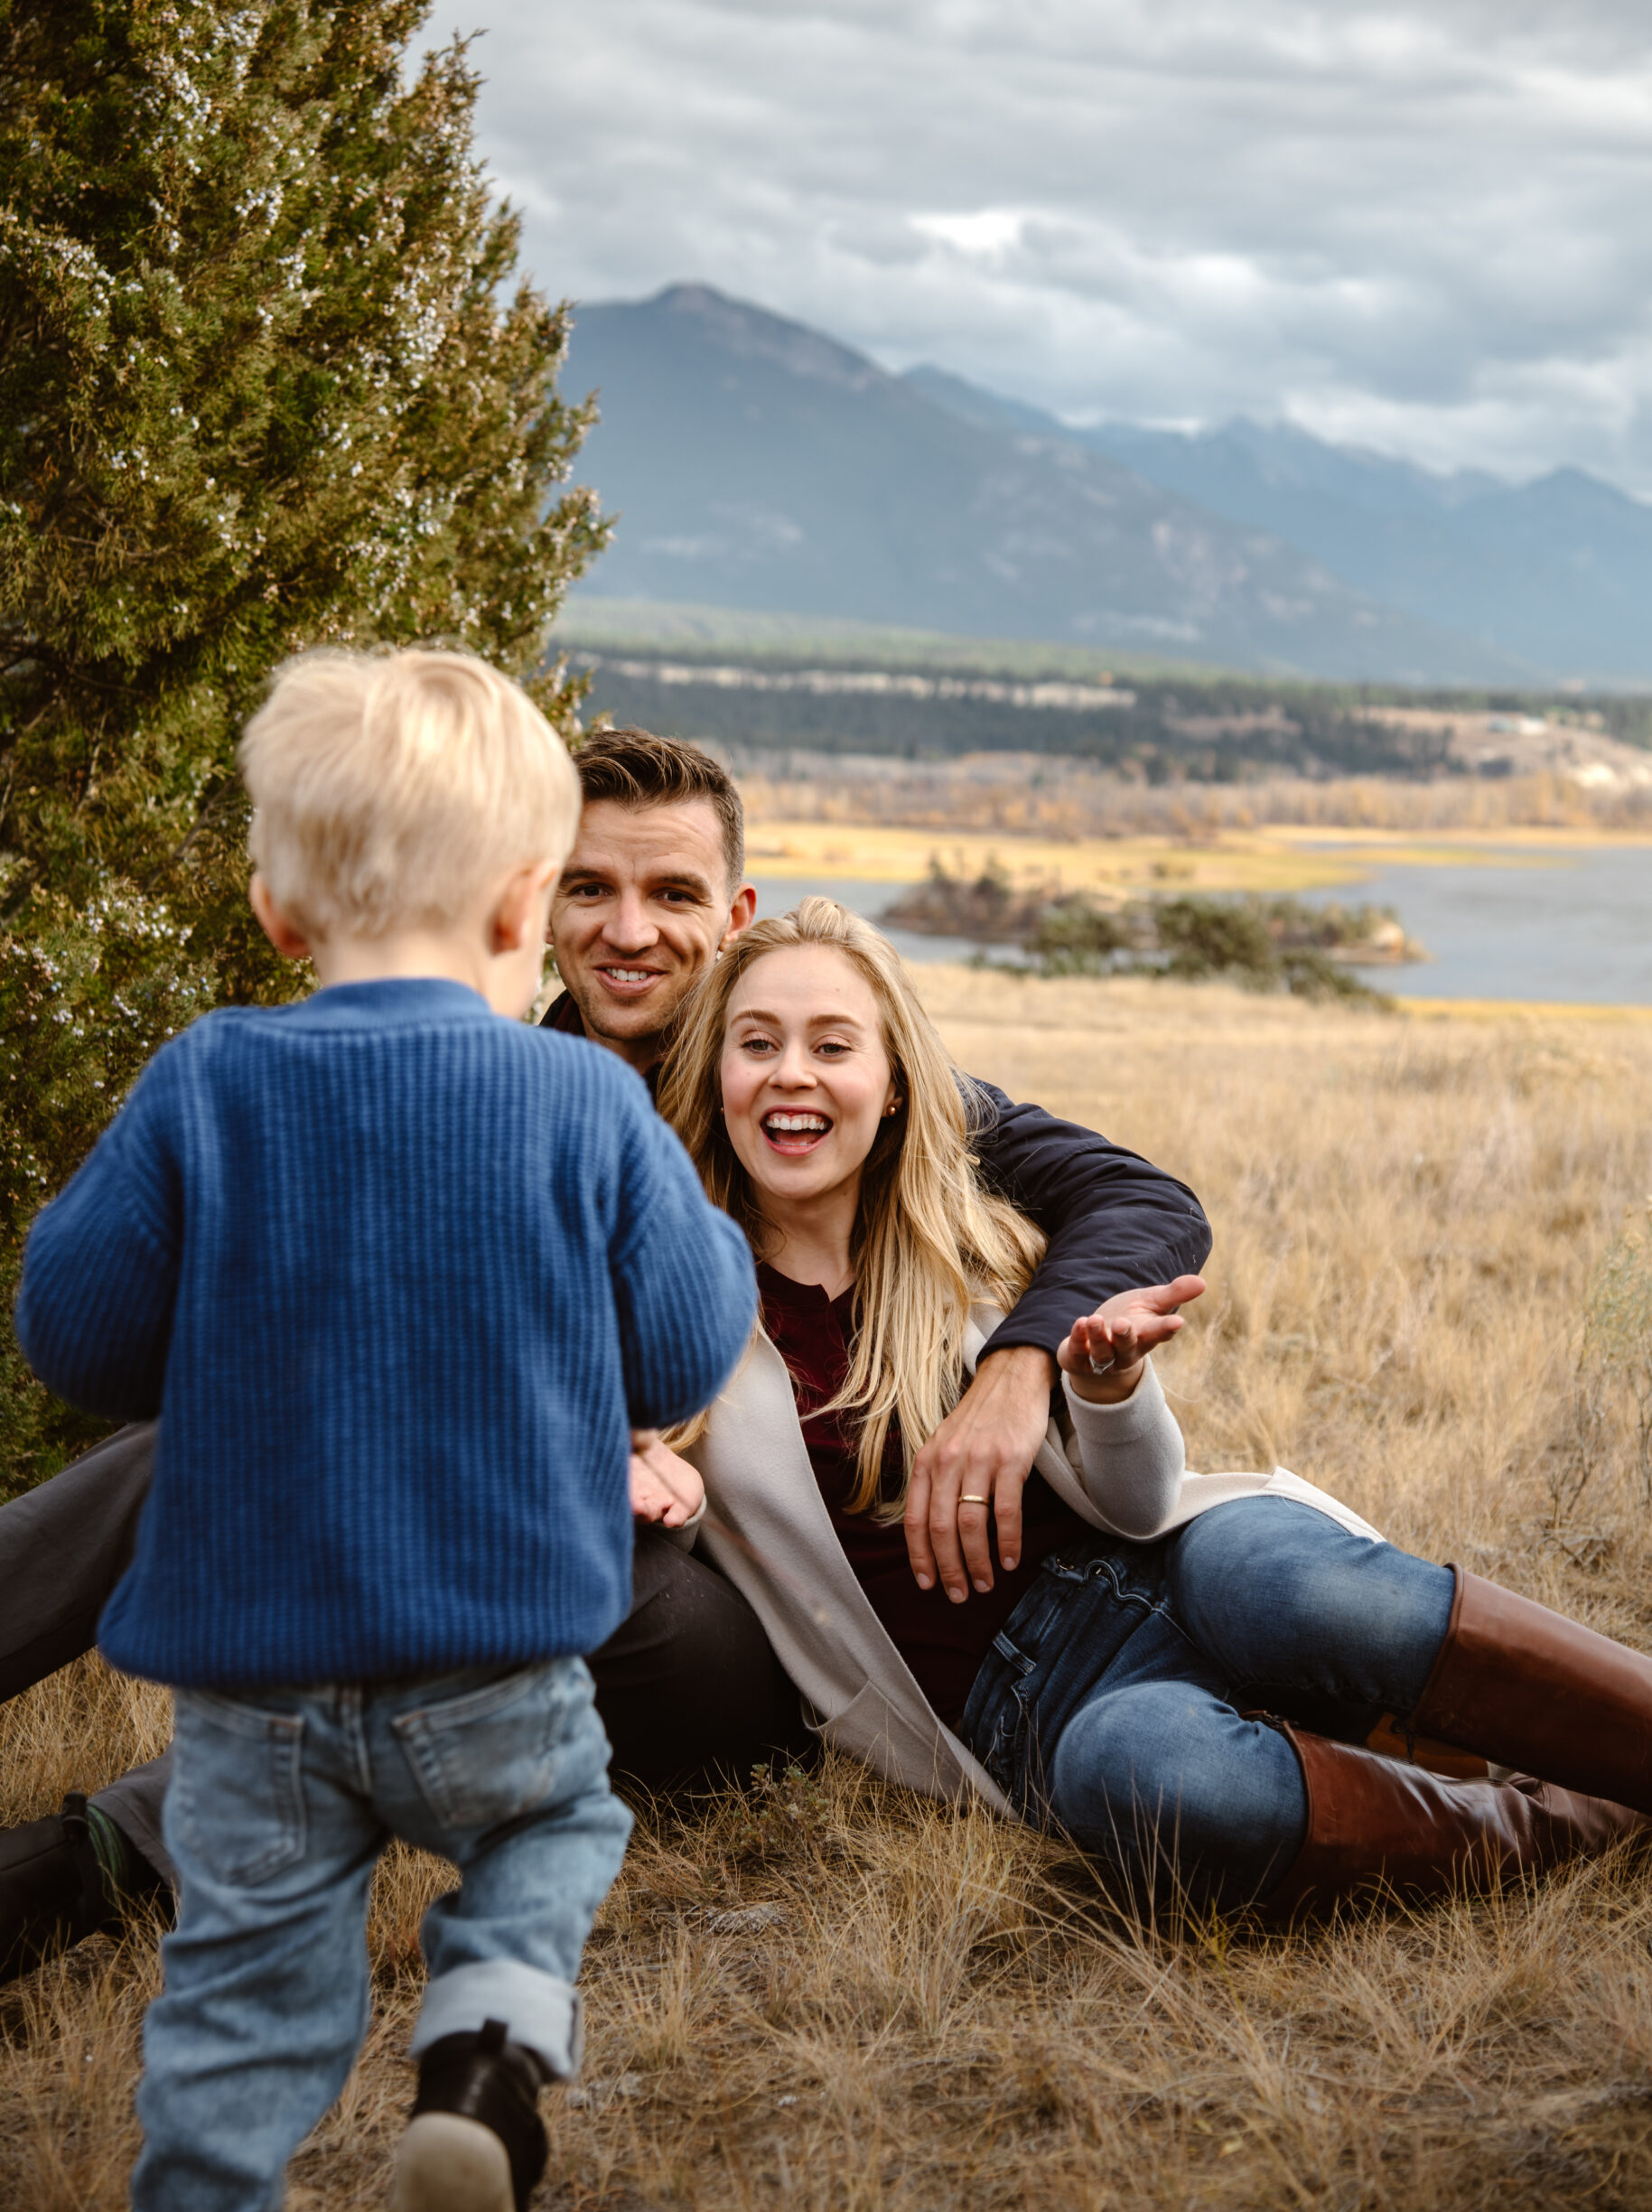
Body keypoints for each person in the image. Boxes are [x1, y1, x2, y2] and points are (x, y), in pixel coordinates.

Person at [0, 729, 1213, 1974]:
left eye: (672, 893)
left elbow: (1143, 1202)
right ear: (537, 897)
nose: (630, 931)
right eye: (590, 887)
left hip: (736, 1639)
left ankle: (89, 1864)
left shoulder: (800, 1077)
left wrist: (1016, 1367)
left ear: (731, 914)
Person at [14, 651, 758, 2212]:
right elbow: (685, 1347)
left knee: (241, 1988)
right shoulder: (581, 1102)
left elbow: (73, 1337)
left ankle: (206, 2181)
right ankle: (483, 2060)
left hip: (255, 1688)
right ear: (523, 904)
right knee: (551, 1831)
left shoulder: (206, 1080)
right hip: (496, 1662)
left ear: (279, 911)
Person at [658, 897, 1652, 1912]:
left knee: (1274, 1579)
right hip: (1041, 1710)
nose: (791, 1073)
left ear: (897, 1085)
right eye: (756, 1043)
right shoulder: (673, 1308)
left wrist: (1108, 1392)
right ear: (716, 1074)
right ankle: (1562, 1821)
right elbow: (682, 1520)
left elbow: (1137, 1504)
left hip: (1179, 1567)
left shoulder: (981, 1244)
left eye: (832, 1045)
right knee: (1150, 1769)